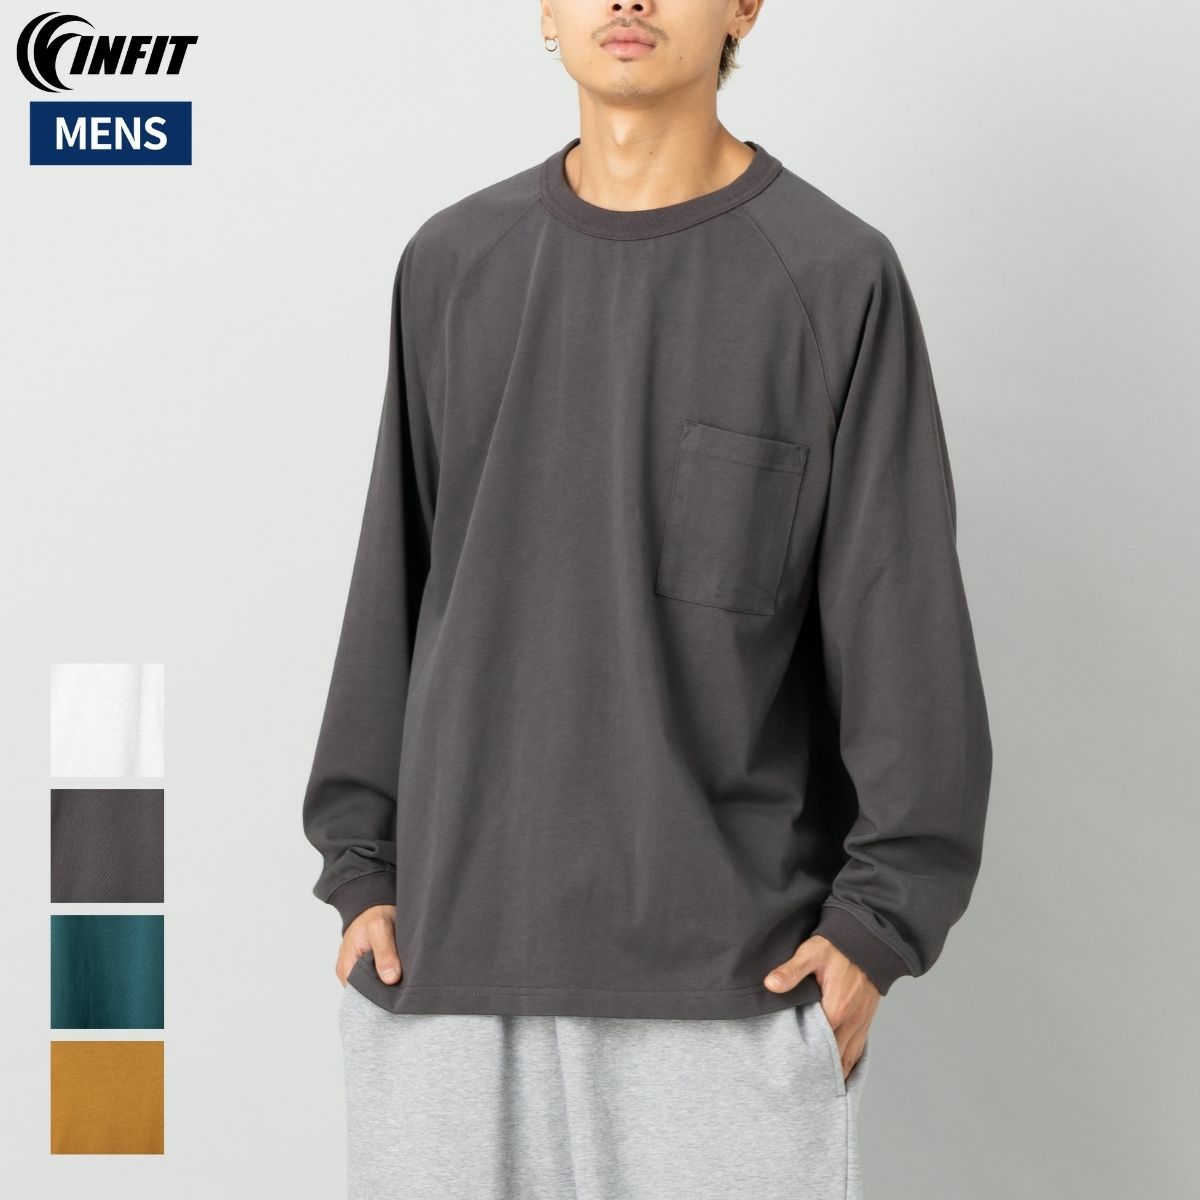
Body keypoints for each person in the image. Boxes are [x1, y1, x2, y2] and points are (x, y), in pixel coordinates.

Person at [302, 3, 993, 1197]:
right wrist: (362, 866)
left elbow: (905, 628)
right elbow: (396, 580)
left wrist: (878, 926)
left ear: (744, 6)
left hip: (726, 987)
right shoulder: (455, 264)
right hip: (451, 971)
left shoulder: (833, 277)